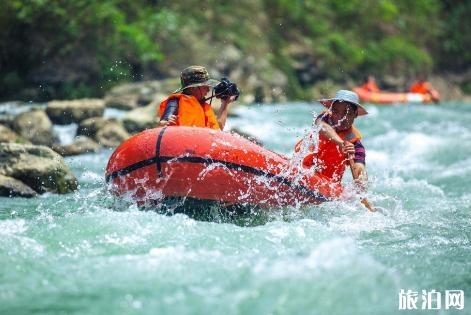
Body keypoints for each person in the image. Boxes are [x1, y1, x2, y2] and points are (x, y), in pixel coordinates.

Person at [295, 90, 368, 187]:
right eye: (336, 112)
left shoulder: (355, 144)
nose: (340, 117)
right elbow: (321, 127)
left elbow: (360, 168)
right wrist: (341, 143)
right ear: (331, 110)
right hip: (302, 169)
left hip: (327, 184)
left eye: (346, 113)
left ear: (355, 114)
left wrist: (361, 180)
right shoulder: (323, 118)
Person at [158, 65, 236, 130]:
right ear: (193, 88)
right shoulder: (175, 102)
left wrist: (225, 104)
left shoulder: (204, 107)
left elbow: (218, 129)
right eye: (205, 86)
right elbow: (164, 121)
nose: (208, 89)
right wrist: (165, 122)